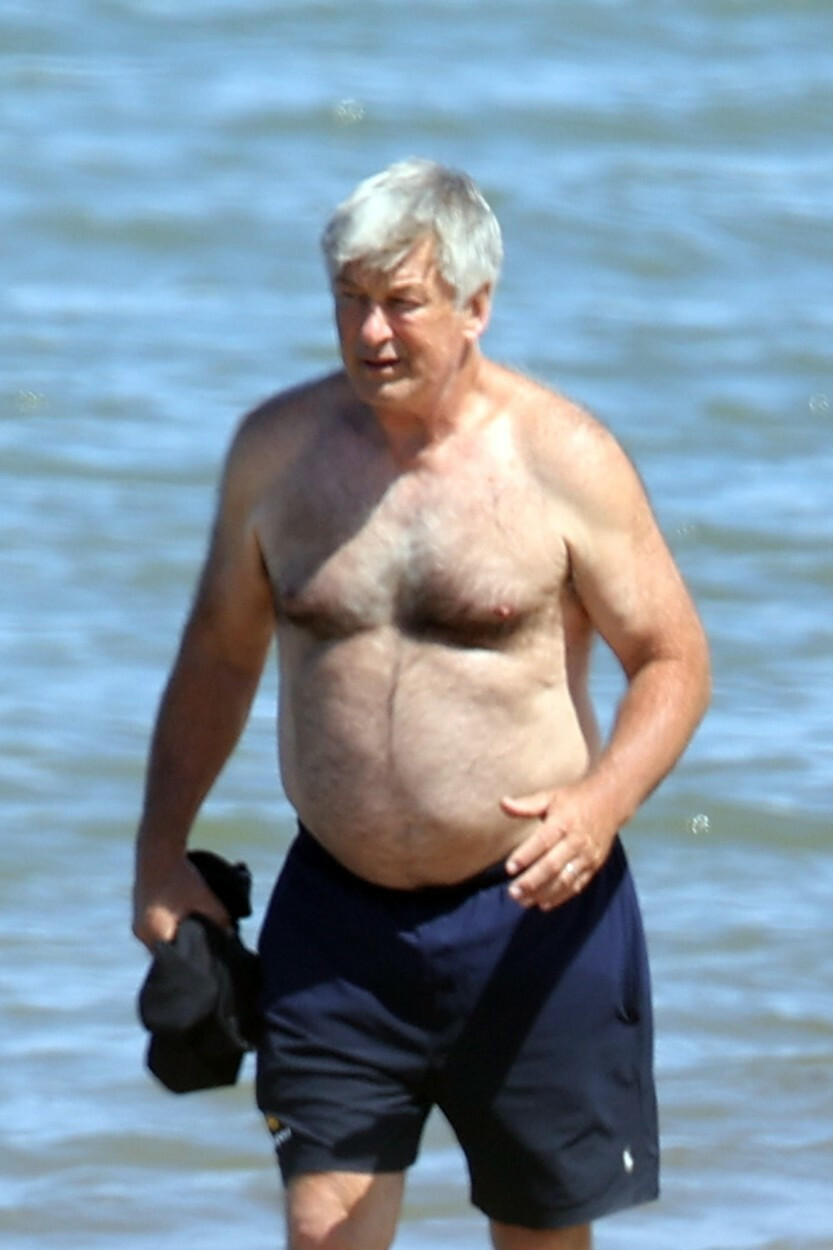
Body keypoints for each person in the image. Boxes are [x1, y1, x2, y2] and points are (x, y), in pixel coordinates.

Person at [132, 158, 710, 1250]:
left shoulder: (563, 458)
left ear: (475, 306)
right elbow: (216, 656)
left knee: (536, 1238)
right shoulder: (276, 453)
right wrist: (160, 854)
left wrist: (601, 804)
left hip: (534, 914)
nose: (371, 332)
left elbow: (673, 659)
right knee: (324, 1230)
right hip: (336, 916)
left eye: (401, 301)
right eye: (349, 298)